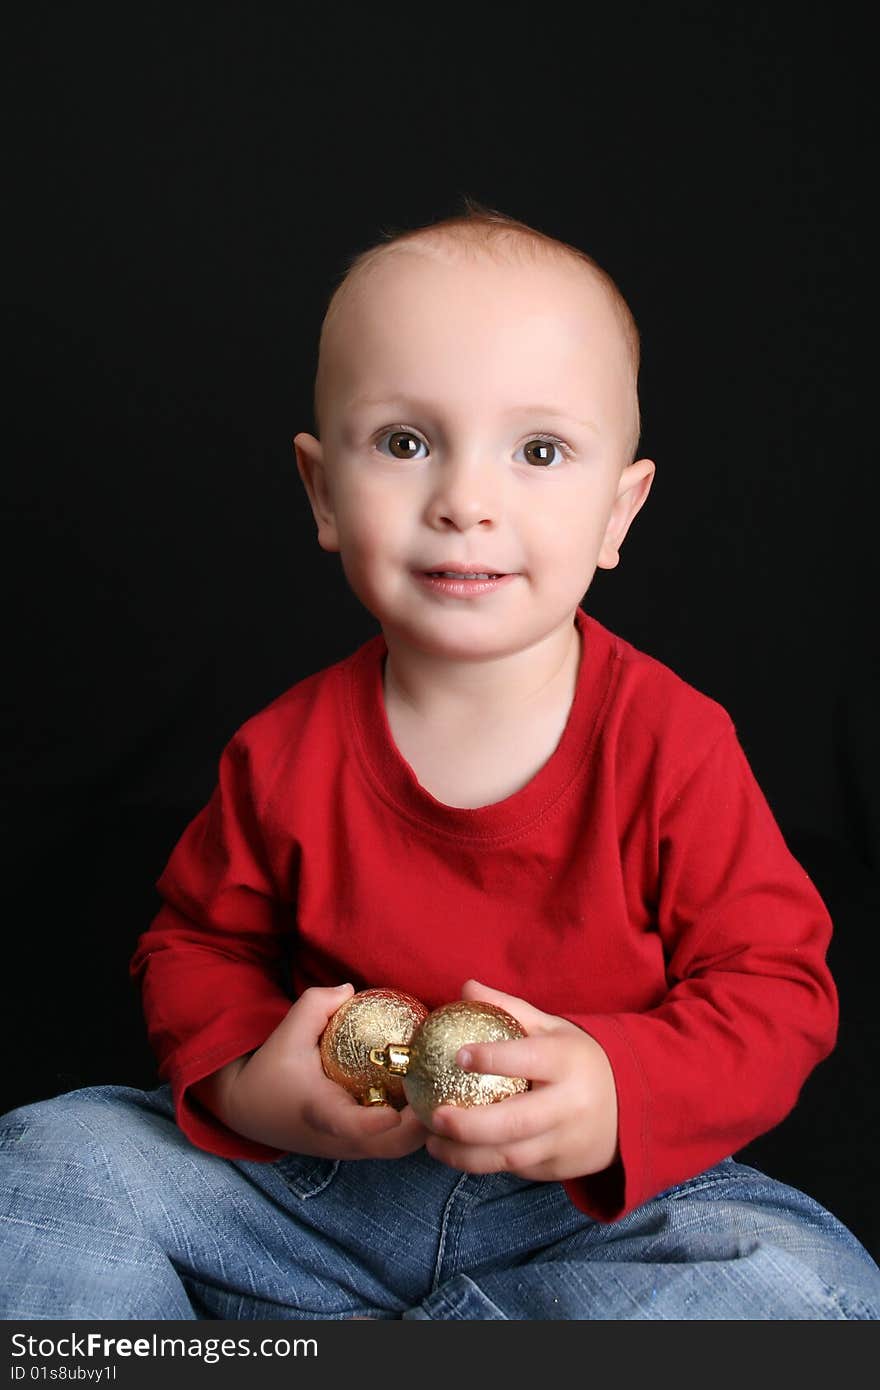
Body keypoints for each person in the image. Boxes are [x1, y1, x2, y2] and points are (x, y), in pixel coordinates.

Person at [2, 202, 879, 1321]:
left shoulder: (672, 742)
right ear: (323, 492)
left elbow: (778, 987)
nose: (465, 501)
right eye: (406, 443)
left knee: (808, 1288)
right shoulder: (282, 750)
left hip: (583, 1205)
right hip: (312, 1191)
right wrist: (245, 1079)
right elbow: (196, 943)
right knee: (45, 1164)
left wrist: (619, 1088)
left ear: (620, 511)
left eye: (539, 450)